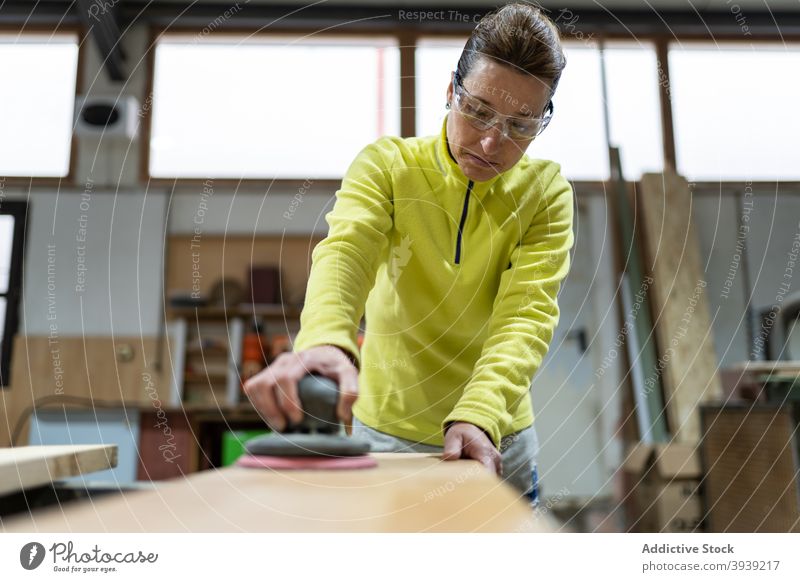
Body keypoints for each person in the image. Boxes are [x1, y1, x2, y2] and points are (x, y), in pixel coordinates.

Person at [244, 2, 573, 503]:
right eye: (478, 110)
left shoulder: (545, 193)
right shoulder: (389, 167)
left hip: (495, 434)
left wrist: (480, 414)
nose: (490, 141)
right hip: (384, 434)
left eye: (521, 126)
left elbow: (524, 318)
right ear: (450, 91)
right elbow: (346, 254)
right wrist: (326, 342)